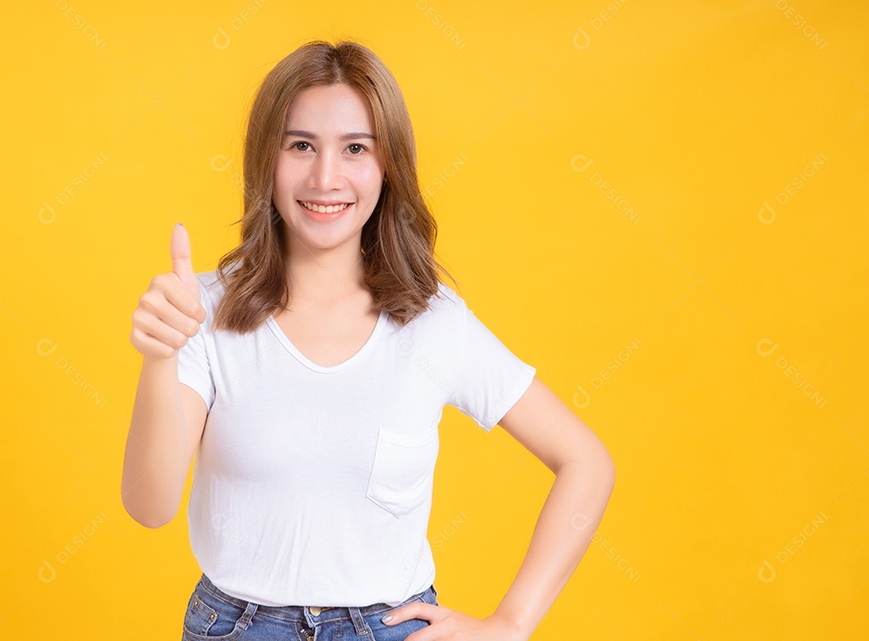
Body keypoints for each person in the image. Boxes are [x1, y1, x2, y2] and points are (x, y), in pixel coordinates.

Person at [122, 39, 615, 641]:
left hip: (389, 629)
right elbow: (151, 507)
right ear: (265, 161)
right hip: (236, 628)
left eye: (356, 148)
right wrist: (159, 357)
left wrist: (511, 623)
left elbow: (586, 462)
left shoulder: (433, 322)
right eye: (300, 145)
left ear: (388, 166)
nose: (325, 177)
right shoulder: (204, 310)